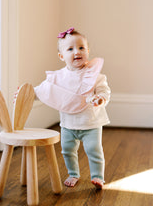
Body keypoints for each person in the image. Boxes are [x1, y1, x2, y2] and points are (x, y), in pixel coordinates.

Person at [34, 27, 111, 189]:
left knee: (93, 149)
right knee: (67, 150)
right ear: (62, 56)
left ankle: (98, 176)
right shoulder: (59, 76)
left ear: (88, 51)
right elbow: (44, 89)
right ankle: (73, 173)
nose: (77, 51)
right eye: (70, 49)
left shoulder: (94, 75)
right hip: (68, 123)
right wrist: (28, 94)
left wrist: (100, 98)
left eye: (81, 47)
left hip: (91, 123)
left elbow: (104, 90)